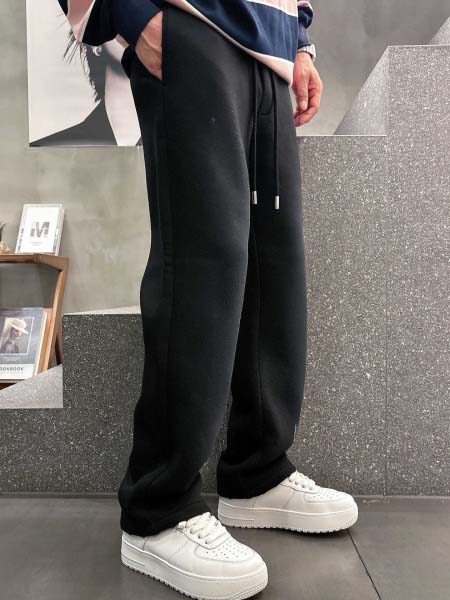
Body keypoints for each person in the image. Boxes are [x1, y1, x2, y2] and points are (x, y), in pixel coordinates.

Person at [58, 2, 358, 598]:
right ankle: (157, 506)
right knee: (202, 259)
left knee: (274, 261)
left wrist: (300, 40)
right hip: (190, 23)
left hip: (270, 46)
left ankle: (256, 472)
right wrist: (132, 11)